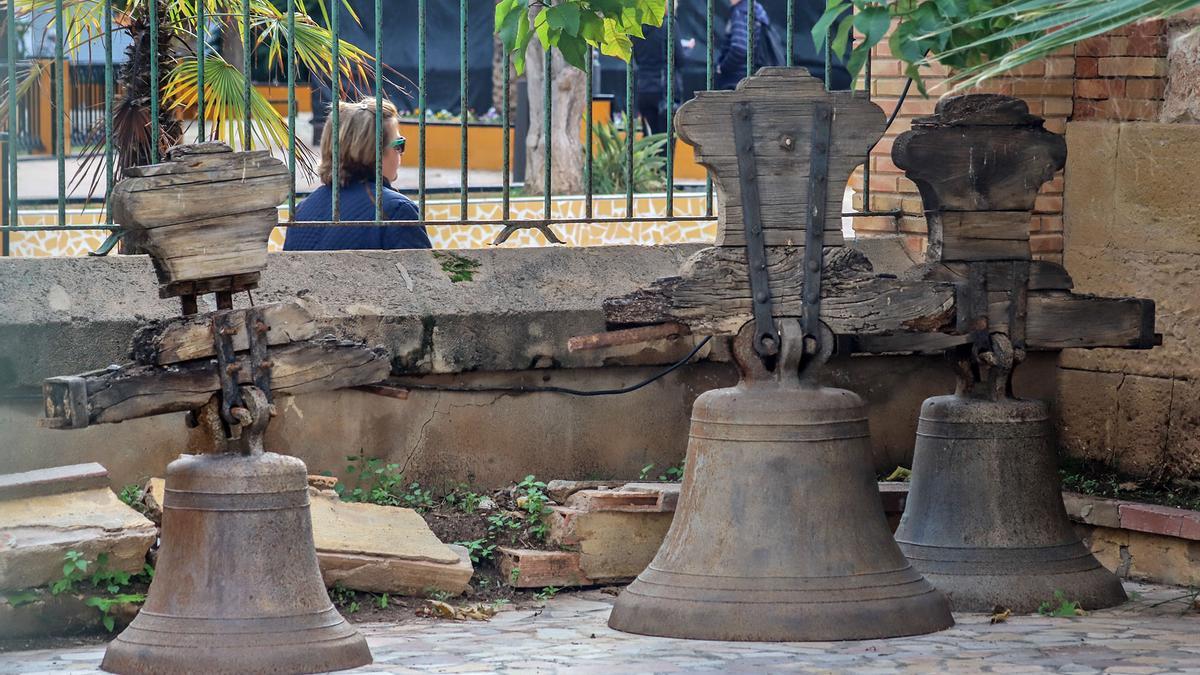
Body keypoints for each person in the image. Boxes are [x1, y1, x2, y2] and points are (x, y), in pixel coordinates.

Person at [284, 97, 431, 251]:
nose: (401, 153)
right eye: (399, 144)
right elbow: (421, 274)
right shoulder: (396, 211)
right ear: (375, 152)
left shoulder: (301, 212)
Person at [631, 1, 691, 135]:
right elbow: (679, 59)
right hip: (665, 89)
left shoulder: (637, 27)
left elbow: (635, 57)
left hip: (643, 89)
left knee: (651, 142)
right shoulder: (669, 25)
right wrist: (687, 50)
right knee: (667, 140)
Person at [716, 0, 773, 90]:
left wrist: (723, 67)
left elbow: (739, 49)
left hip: (737, 81)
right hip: (753, 78)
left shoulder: (741, 11)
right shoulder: (757, 9)